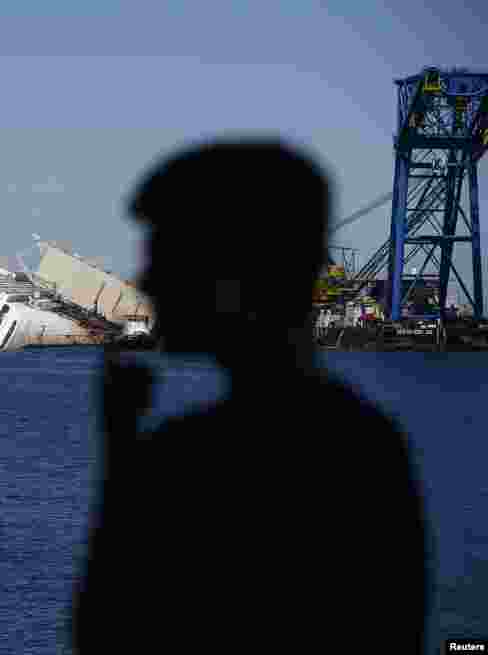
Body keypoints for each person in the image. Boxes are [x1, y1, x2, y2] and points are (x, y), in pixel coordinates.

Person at [71, 140, 430, 654]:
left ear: (233, 275)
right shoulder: (371, 448)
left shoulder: (187, 455)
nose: (146, 279)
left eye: (167, 257)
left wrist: (119, 453)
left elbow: (104, 633)